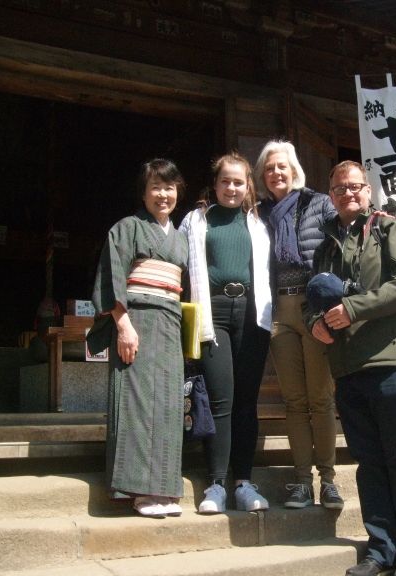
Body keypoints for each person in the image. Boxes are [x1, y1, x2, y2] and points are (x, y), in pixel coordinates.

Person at [306, 160, 396, 576]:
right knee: (369, 462)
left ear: (368, 191)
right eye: (340, 188)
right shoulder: (325, 243)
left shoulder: (386, 229)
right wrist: (315, 325)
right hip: (347, 365)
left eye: (355, 186)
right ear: (331, 193)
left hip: (391, 360)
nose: (348, 194)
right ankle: (381, 549)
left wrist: (354, 308)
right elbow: (313, 300)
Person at [87, 158, 188, 518]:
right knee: (137, 402)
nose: (163, 194)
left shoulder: (180, 239)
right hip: (137, 320)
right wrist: (123, 325)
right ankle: (138, 491)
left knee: (168, 406)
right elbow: (113, 278)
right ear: (143, 193)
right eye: (156, 187)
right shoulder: (127, 229)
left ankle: (165, 490)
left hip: (170, 324)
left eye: (170, 187)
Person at [253, 140, 344, 510]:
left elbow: (342, 243)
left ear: (294, 170)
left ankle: (328, 480)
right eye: (269, 168)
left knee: (320, 399)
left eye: (281, 166)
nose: (276, 172)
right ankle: (302, 481)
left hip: (312, 307)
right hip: (278, 310)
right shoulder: (258, 213)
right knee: (293, 401)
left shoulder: (318, 203)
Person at [180, 152, 273, 514]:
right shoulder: (197, 220)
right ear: (215, 184)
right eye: (225, 181)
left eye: (239, 182)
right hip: (212, 311)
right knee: (220, 398)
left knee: (247, 401)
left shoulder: (258, 221)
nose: (232, 188)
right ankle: (216, 484)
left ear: (247, 185)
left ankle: (244, 483)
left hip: (251, 313)